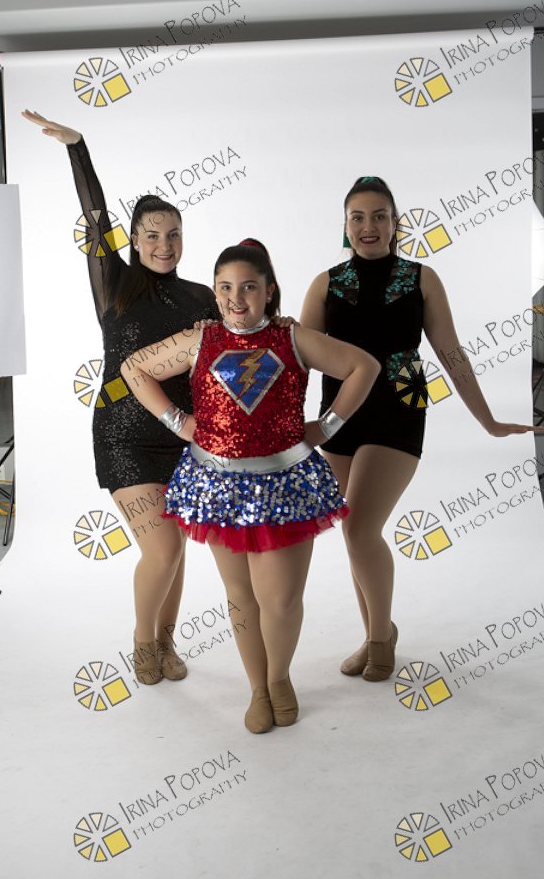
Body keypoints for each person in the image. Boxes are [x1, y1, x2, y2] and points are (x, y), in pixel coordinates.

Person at [120, 239, 380, 733]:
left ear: (269, 290)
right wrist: (178, 421)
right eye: (224, 288)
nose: (235, 299)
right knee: (241, 598)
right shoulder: (200, 339)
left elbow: (364, 366)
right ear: (215, 291)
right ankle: (258, 688)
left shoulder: (293, 338)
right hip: (218, 487)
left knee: (280, 599)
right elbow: (134, 368)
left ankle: (279, 677)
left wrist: (327, 427)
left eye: (248, 288)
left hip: (285, 487)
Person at [300, 175, 539, 683]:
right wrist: (286, 425)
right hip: (338, 415)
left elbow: (451, 353)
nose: (368, 226)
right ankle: (376, 633)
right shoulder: (325, 283)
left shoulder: (421, 278)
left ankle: (380, 638)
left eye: (379, 216)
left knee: (359, 528)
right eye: (358, 217)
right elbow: (298, 359)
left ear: (396, 223)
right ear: (345, 225)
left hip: (400, 407)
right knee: (356, 535)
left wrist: (488, 420)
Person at [22, 109, 219, 687]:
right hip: (124, 437)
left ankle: (167, 640)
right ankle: (142, 641)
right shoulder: (114, 282)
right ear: (133, 240)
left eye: (173, 234)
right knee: (161, 549)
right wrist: (77, 147)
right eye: (152, 235)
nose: (163, 244)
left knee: (177, 548)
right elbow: (94, 215)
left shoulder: (202, 295)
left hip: (184, 436)